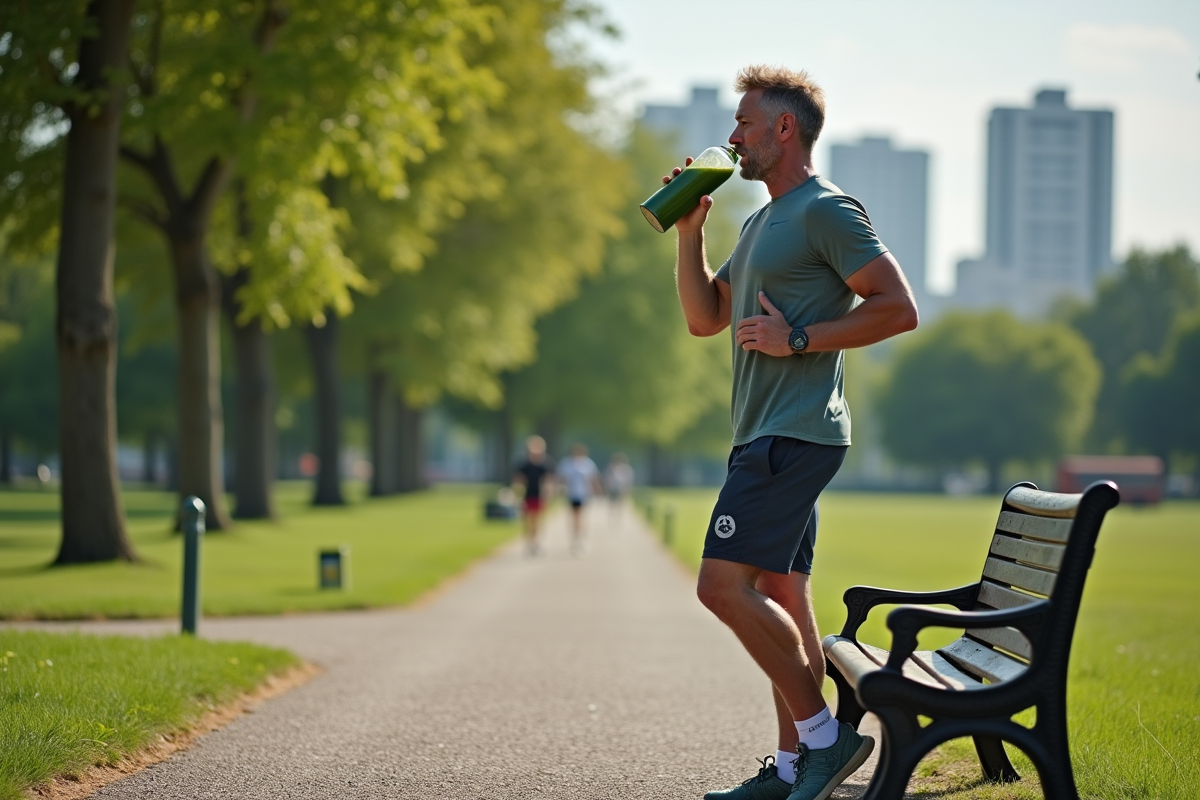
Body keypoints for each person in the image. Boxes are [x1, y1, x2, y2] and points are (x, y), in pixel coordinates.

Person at [670, 65, 919, 800]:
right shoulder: (761, 221)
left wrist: (801, 339)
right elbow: (704, 318)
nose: (732, 136)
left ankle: (824, 739)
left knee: (721, 587)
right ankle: (787, 772)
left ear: (785, 129)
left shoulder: (826, 210)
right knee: (783, 594)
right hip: (763, 432)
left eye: (745, 122)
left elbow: (898, 307)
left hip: (795, 431)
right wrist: (691, 233)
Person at [556, 443, 602, 554]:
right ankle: (574, 538)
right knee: (574, 516)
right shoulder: (566, 463)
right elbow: (560, 478)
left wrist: (598, 490)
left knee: (582, 516)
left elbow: (594, 478)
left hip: (584, 494)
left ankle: (581, 539)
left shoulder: (588, 463)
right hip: (571, 494)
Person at [512, 435, 554, 556]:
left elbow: (549, 480)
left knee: (537, 520)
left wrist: (548, 494)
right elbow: (518, 480)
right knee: (527, 521)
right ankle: (529, 542)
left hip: (540, 496)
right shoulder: (524, 464)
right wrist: (516, 494)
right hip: (527, 495)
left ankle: (535, 542)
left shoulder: (546, 464)